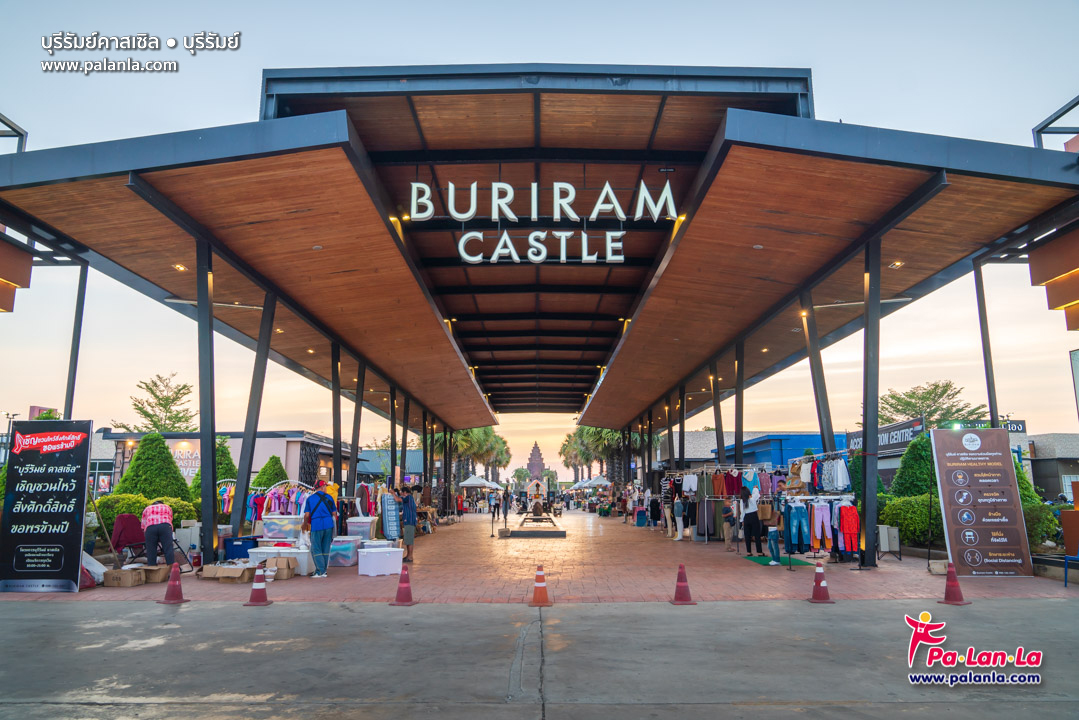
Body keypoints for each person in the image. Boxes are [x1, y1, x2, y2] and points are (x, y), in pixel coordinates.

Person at [303, 479, 339, 578]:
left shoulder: (310, 499)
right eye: (325, 487)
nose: (326, 488)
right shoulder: (330, 498)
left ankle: (320, 571)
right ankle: (323, 570)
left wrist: (304, 525)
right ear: (322, 487)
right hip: (328, 525)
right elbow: (334, 514)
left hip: (316, 524)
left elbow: (306, 515)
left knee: (315, 548)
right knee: (325, 547)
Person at [141, 500, 175, 567]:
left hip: (150, 527)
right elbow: (170, 518)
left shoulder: (147, 508)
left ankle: (152, 570)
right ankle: (171, 569)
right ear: (162, 504)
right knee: (168, 548)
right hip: (165, 526)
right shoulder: (167, 507)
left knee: (151, 550)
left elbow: (143, 524)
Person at [397, 485, 418, 563]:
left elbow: (397, 499)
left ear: (405, 492)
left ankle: (410, 557)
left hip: (409, 521)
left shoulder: (408, 497)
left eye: (402, 493)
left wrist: (392, 493)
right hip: (409, 521)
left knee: (409, 540)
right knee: (408, 540)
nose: (401, 494)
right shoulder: (410, 498)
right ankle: (408, 555)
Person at [740, 485, 763, 556]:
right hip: (754, 516)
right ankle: (759, 552)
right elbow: (757, 494)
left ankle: (749, 552)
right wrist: (755, 489)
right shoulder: (752, 497)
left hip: (746, 517)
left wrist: (742, 520)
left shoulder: (742, 500)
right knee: (757, 535)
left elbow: (742, 511)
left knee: (747, 535)